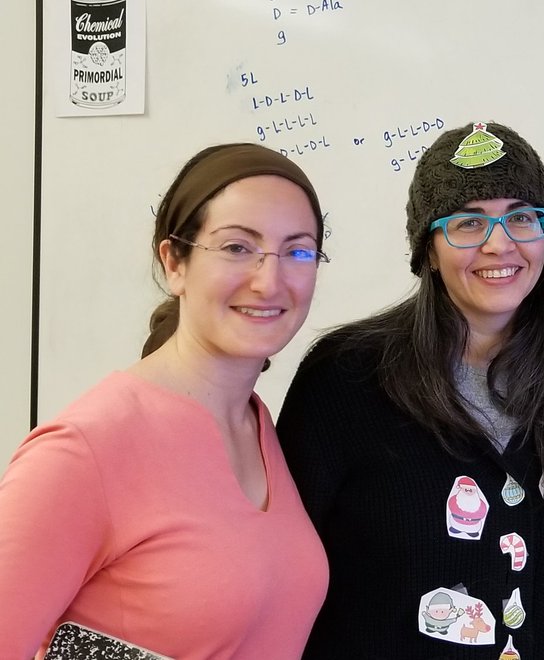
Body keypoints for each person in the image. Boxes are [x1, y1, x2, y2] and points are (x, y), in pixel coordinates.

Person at [277, 121, 544, 659]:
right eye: (467, 223)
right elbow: (280, 574)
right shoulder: (345, 378)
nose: (500, 243)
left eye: (522, 217)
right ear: (427, 250)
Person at [0, 142, 330, 658]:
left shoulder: (258, 425)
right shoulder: (83, 450)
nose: (270, 280)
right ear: (174, 261)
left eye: (298, 251)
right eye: (237, 248)